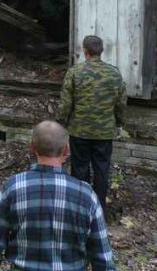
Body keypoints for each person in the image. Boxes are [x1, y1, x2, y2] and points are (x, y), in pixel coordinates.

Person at [0, 121, 115, 271]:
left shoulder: (13, 187)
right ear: (66, 151)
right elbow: (102, 255)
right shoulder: (87, 195)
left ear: (32, 149)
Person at [57, 34, 127, 214]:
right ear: (101, 51)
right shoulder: (114, 73)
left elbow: (66, 103)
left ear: (85, 51)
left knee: (79, 170)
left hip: (80, 131)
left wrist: (60, 123)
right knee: (102, 170)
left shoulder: (75, 72)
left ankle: (79, 208)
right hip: (104, 132)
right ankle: (99, 209)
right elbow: (121, 103)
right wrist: (119, 123)